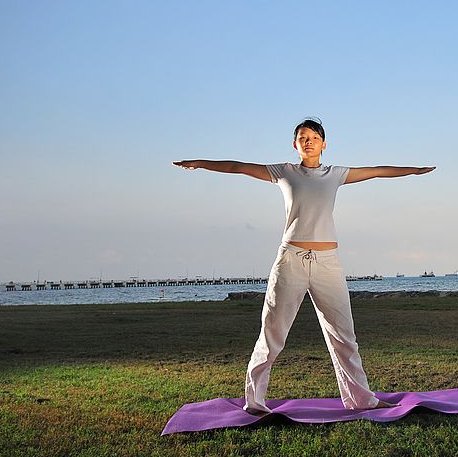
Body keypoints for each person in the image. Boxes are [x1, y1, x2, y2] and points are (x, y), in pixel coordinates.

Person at [173, 118, 435, 415]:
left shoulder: (336, 174)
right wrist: (199, 163)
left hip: (328, 264)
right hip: (291, 261)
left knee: (344, 336)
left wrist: (413, 170)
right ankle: (255, 401)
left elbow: (377, 172)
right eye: (302, 137)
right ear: (295, 145)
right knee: (272, 333)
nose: (308, 140)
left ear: (324, 144)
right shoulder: (283, 172)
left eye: (313, 136)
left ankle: (362, 399)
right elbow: (239, 167)